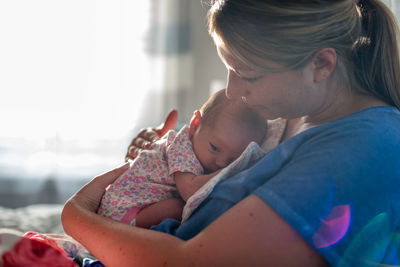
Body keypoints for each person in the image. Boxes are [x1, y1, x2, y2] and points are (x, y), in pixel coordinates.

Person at [62, 0, 400, 266]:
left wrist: (76, 214)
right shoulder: (286, 120)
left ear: (322, 65)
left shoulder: (361, 148)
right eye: (229, 69)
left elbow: (188, 263)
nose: (232, 91)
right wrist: (161, 161)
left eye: (247, 75)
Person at [97, 89, 267, 228]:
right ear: (195, 125)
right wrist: (234, 167)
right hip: (123, 210)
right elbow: (191, 191)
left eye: (233, 158)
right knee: (178, 207)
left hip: (128, 207)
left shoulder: (200, 147)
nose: (221, 162)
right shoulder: (181, 148)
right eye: (215, 148)